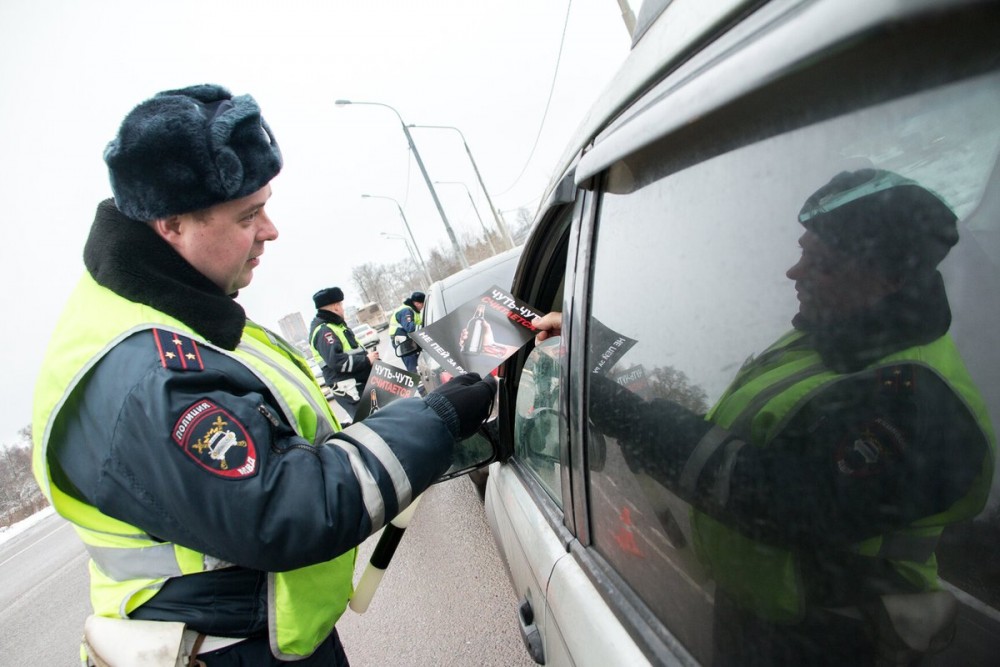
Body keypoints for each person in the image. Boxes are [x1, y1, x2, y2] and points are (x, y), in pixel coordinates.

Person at [30, 84, 496, 666]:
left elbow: (285, 427)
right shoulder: (146, 374)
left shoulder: (182, 313)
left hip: (256, 641)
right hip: (228, 653)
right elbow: (285, 509)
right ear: (172, 224)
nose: (270, 231)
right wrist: (437, 418)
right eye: (249, 214)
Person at [532, 169, 995, 665]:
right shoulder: (834, 335)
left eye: (820, 264)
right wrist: (583, 340)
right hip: (759, 620)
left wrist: (623, 414)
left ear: (887, 277)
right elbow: (711, 401)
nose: (793, 273)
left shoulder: (919, 404)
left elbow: (778, 498)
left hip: (838, 642)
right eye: (801, 251)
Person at [310, 286, 379, 423]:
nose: (342, 308)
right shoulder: (325, 330)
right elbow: (337, 361)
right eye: (341, 305)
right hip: (350, 389)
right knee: (374, 424)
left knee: (382, 419)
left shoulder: (336, 327)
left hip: (358, 384)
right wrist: (366, 360)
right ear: (335, 306)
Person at [389, 291, 425, 373]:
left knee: (417, 364)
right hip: (403, 342)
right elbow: (410, 327)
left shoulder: (411, 310)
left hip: (406, 340)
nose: (422, 307)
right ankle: (419, 383)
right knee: (413, 367)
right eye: (422, 304)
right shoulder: (406, 310)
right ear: (417, 303)